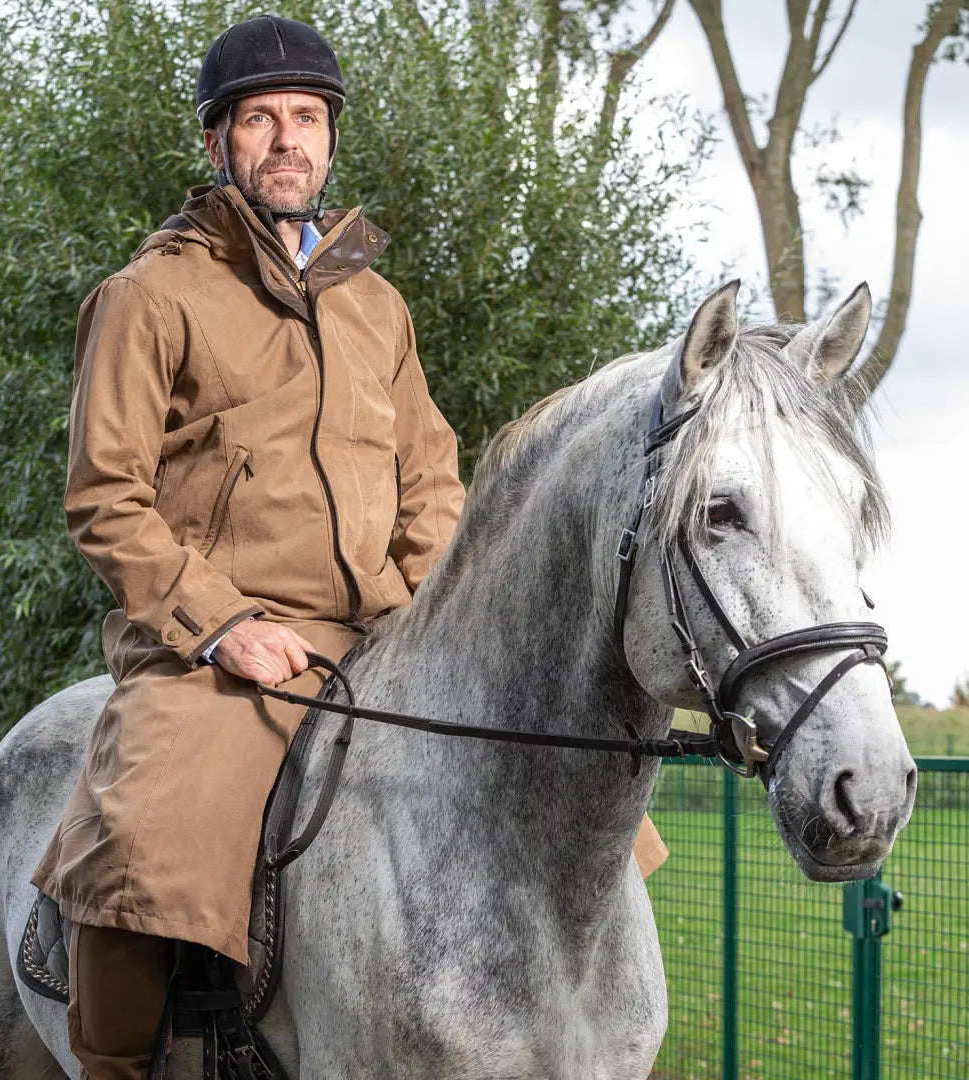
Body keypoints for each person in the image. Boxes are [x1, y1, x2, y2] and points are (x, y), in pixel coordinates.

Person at [33, 16, 666, 1079]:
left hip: (379, 634)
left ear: (330, 140)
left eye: (307, 119)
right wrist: (223, 626)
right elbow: (106, 497)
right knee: (145, 833)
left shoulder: (375, 306)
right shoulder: (150, 298)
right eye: (261, 119)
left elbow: (430, 484)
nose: (287, 139)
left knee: (609, 834)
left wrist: (443, 619)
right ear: (218, 142)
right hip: (223, 647)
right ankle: (114, 1063)